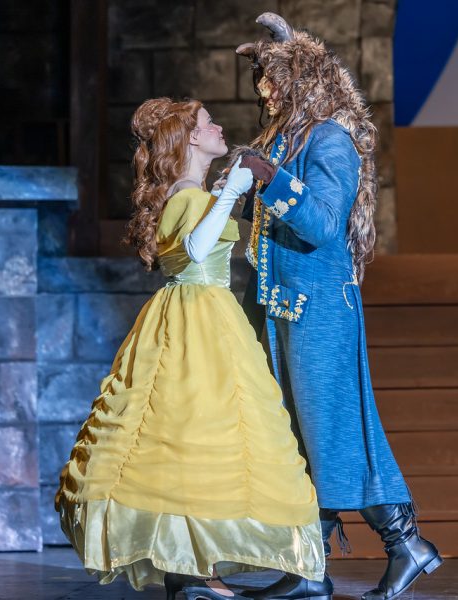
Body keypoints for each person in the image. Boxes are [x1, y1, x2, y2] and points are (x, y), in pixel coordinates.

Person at [54, 97, 324, 600]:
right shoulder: (184, 195)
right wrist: (234, 191)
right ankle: (195, 571)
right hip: (195, 318)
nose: (219, 127)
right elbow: (197, 251)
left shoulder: (194, 193)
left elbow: (228, 241)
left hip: (208, 313)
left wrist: (237, 195)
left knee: (202, 432)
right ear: (190, 140)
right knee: (192, 430)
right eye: (207, 123)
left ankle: (193, 571)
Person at [232, 13, 442, 600]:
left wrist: (270, 178)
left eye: (274, 81)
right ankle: (309, 569)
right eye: (261, 84)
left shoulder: (329, 140)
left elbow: (323, 224)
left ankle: (405, 544)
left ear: (302, 82)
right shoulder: (284, 138)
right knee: (297, 437)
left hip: (320, 308)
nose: (264, 92)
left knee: (335, 435)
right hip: (280, 309)